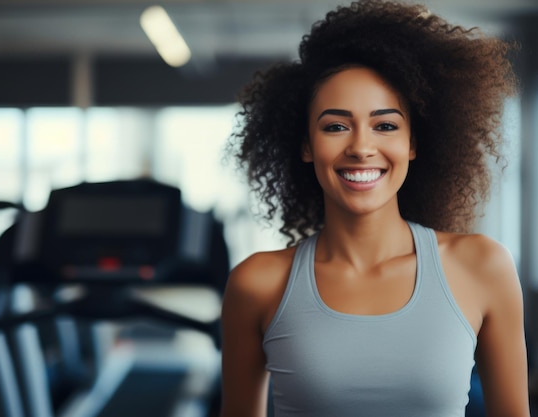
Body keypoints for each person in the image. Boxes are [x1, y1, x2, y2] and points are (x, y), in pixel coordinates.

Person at [219, 0, 529, 416]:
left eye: (385, 125)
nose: (362, 147)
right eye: (335, 126)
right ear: (307, 146)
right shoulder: (257, 284)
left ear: (413, 143)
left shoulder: (483, 267)